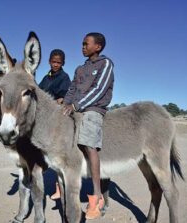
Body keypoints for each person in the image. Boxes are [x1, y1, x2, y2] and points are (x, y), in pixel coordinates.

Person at [63, 32, 114, 220]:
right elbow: (71, 90)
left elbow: (99, 89)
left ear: (98, 47)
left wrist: (76, 106)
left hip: (92, 109)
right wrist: (64, 106)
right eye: (82, 44)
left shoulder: (105, 64)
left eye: (86, 44)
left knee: (89, 145)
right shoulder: (79, 69)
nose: (83, 46)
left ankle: (97, 195)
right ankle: (62, 186)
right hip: (76, 109)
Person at [39, 49, 71, 200]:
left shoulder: (64, 77)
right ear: (49, 61)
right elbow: (39, 93)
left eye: (59, 62)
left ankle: (61, 187)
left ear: (63, 63)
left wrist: (59, 100)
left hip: (57, 113)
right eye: (54, 62)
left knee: (58, 151)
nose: (56, 64)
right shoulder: (46, 78)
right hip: (43, 114)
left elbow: (66, 96)